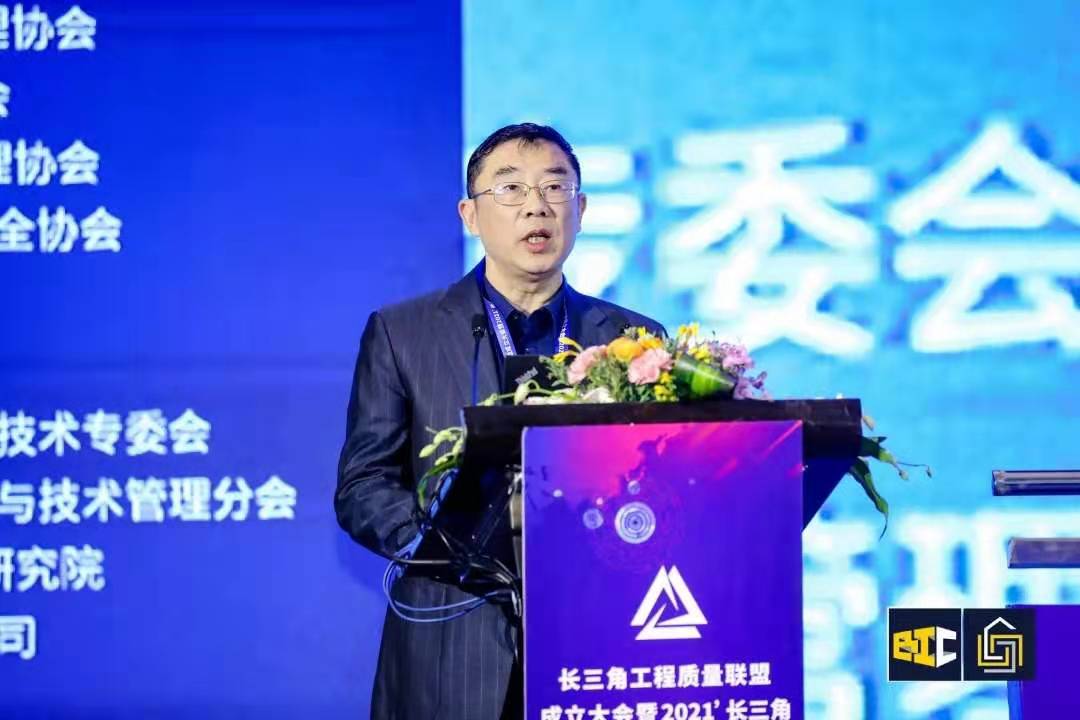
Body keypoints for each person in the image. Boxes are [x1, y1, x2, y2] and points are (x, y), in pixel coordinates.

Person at [335, 123, 664, 719]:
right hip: (450, 644)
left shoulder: (633, 339)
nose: (537, 206)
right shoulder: (403, 333)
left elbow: (660, 482)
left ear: (581, 210)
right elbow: (363, 485)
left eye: (555, 188)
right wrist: (446, 545)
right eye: (510, 189)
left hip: (597, 639)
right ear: (470, 215)